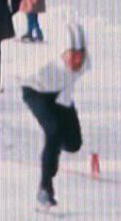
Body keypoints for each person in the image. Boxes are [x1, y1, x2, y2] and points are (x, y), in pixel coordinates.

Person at [21, 23, 89, 210]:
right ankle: (45, 187)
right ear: (62, 54)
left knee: (74, 143)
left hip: (60, 92)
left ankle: (55, 146)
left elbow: (69, 82)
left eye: (80, 57)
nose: (76, 62)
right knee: (53, 132)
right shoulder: (44, 67)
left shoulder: (85, 64)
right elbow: (21, 76)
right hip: (36, 91)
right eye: (72, 57)